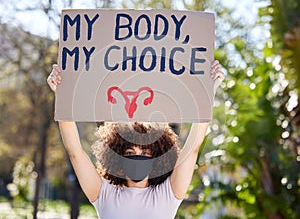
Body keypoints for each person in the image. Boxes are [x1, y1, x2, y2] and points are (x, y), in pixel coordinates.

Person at [47, 60, 224, 219]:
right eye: (130, 152)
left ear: (156, 160)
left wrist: (209, 92)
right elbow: (75, 153)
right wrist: (62, 97)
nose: (138, 158)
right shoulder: (104, 194)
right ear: (117, 158)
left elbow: (193, 148)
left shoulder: (167, 195)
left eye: (145, 153)